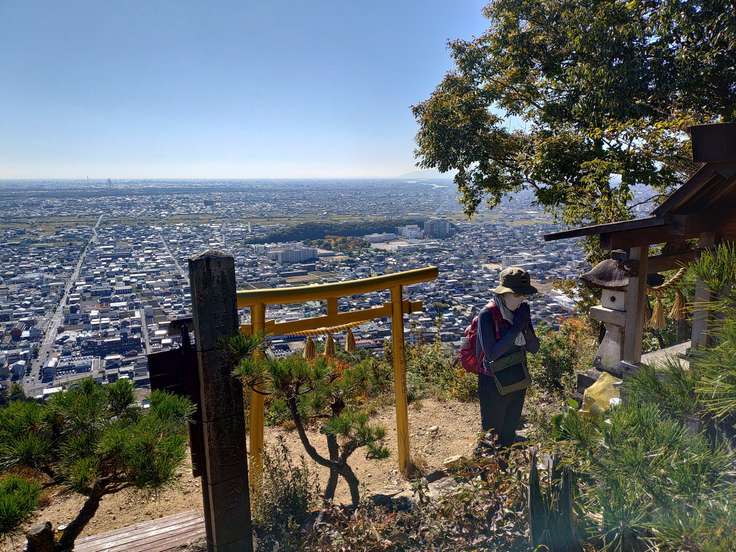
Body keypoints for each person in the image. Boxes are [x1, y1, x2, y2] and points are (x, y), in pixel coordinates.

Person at [477, 267, 539, 447]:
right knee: (491, 430)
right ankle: (486, 460)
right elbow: (491, 353)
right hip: (492, 381)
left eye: (524, 294)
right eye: (517, 294)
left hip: (517, 376)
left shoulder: (521, 312)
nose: (522, 298)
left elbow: (534, 348)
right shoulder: (487, 315)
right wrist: (516, 328)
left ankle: (506, 460)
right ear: (503, 294)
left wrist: (525, 326)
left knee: (510, 427)